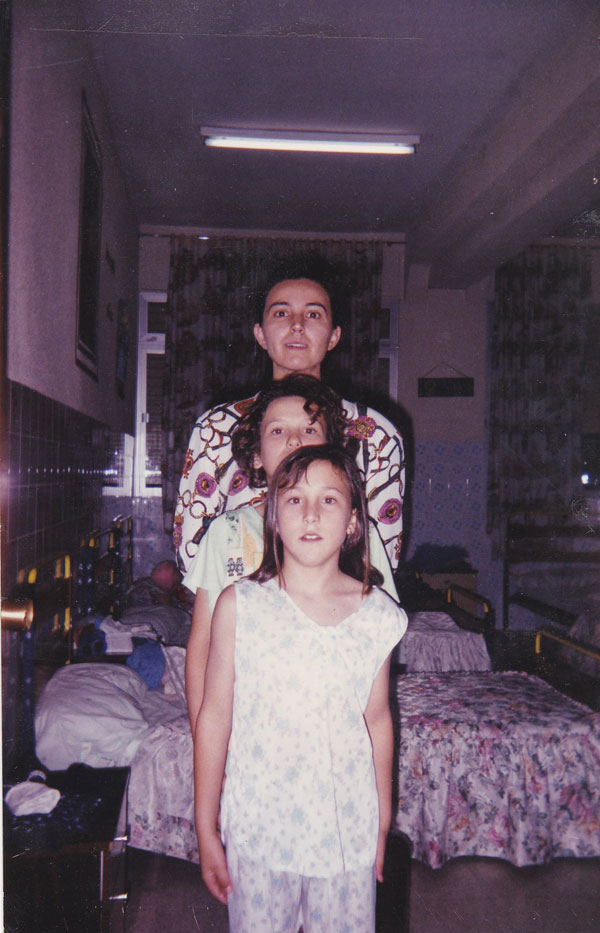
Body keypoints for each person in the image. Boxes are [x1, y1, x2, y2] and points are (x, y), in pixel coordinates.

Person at [193, 444, 407, 932]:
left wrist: (381, 822)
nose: (311, 513)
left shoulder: (378, 614)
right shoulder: (240, 606)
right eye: (294, 499)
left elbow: (377, 719)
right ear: (274, 515)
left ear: (352, 522)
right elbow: (214, 716)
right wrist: (205, 827)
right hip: (259, 830)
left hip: (346, 829)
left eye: (329, 499)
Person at [182, 373, 398, 731]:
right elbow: (201, 649)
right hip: (249, 734)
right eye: (278, 430)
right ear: (256, 456)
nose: (295, 439)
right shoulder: (226, 534)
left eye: (310, 429)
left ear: (331, 448)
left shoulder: (362, 534)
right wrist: (201, 739)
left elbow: (378, 650)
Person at [173, 259, 405, 574]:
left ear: (334, 336)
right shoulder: (217, 428)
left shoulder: (376, 435)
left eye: (313, 314)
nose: (297, 325)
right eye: (281, 313)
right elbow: (192, 555)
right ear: (260, 334)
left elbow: (381, 561)